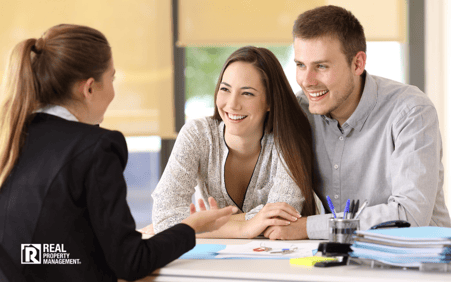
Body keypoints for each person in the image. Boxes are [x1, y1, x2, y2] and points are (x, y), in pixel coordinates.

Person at [0, 24, 238, 282]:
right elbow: (130, 261)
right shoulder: (95, 148)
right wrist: (193, 227)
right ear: (89, 88)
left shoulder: (9, 139)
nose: (113, 90)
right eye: (112, 78)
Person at [262, 5, 451, 240]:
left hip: (418, 259)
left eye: (321, 66)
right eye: (300, 65)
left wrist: (307, 227)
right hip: (341, 257)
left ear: (357, 64)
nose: (307, 81)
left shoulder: (411, 110)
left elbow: (409, 216)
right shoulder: (301, 110)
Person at [152, 46, 317, 239]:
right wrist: (243, 228)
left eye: (247, 93)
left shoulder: (287, 140)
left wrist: (199, 224)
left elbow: (281, 219)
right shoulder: (198, 135)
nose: (232, 104)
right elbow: (164, 218)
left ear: (270, 101)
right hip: (217, 263)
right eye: (225, 89)